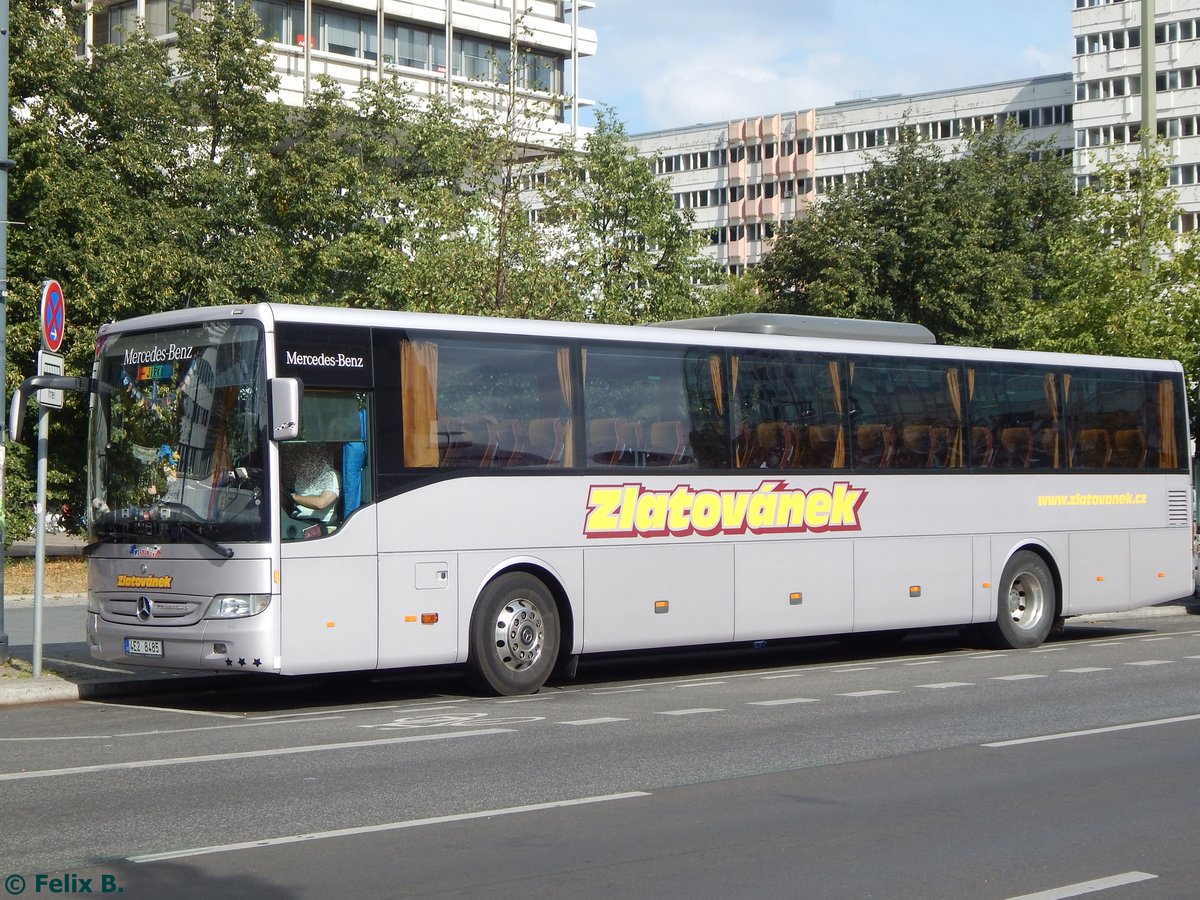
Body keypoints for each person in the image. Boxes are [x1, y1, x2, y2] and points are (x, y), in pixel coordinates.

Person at [284, 444, 340, 524]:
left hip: (320, 523)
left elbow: (322, 503)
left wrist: (294, 497)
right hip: (296, 520)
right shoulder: (301, 476)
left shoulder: (332, 475)